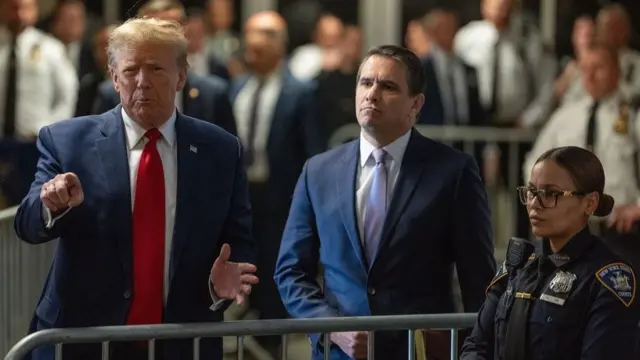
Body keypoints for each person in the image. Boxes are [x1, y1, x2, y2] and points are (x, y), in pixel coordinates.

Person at [14, 17, 258, 360]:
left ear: (181, 77)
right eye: (131, 71)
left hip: (182, 340)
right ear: (114, 78)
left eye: (156, 69)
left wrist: (220, 287)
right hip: (83, 340)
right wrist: (50, 205)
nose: (142, 82)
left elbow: (239, 242)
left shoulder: (220, 150)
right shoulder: (67, 142)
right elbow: (26, 225)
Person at [274, 44, 496, 359]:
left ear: (416, 104)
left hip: (419, 352)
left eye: (388, 86)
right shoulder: (318, 171)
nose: (372, 94)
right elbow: (291, 271)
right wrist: (332, 328)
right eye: (365, 83)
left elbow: (478, 279)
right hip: (340, 352)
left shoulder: (453, 171)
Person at [461, 146, 639, 360]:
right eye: (531, 192)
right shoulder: (518, 264)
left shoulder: (607, 278)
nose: (534, 204)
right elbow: (476, 346)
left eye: (550, 194)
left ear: (589, 203)